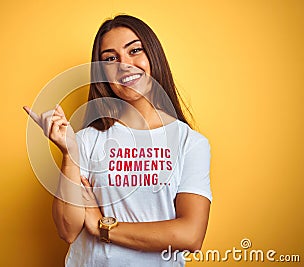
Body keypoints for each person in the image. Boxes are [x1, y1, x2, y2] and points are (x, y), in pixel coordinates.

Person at [23, 15, 212, 267]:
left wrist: (102, 227)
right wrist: (70, 154)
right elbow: (67, 231)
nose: (125, 64)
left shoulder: (191, 143)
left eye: (135, 50)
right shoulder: (86, 140)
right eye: (110, 59)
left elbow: (190, 235)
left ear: (153, 56)